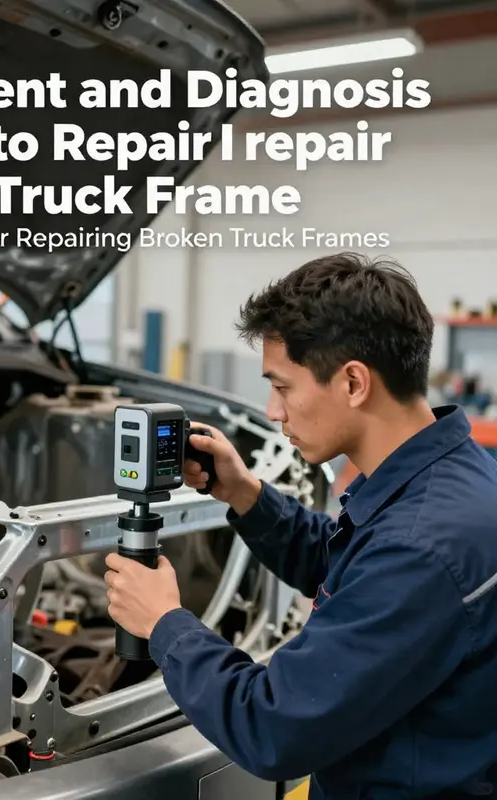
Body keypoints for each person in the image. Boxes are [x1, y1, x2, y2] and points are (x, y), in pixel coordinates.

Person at [103, 253, 497, 800]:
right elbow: (355, 572)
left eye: (283, 387)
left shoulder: (422, 546)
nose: (272, 411)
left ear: (354, 382)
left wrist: (164, 622)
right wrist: (245, 495)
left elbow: (273, 727)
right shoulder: (456, 476)